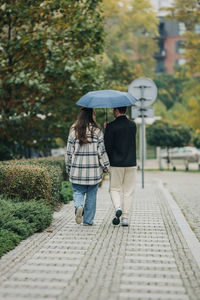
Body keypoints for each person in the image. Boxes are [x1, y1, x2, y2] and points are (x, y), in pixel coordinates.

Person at [65, 107, 110, 226]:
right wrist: (106, 167)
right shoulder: (97, 131)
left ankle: (79, 206)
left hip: (77, 171)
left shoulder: (74, 131)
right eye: (94, 114)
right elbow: (102, 151)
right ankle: (88, 220)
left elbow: (69, 153)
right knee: (91, 195)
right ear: (91, 116)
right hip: (93, 172)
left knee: (78, 191)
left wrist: (68, 168)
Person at [104, 106, 137, 227]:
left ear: (117, 111)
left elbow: (107, 146)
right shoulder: (133, 125)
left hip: (116, 164)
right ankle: (125, 218)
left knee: (114, 189)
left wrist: (107, 130)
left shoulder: (111, 126)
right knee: (128, 191)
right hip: (131, 163)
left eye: (114, 110)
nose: (113, 112)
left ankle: (118, 207)